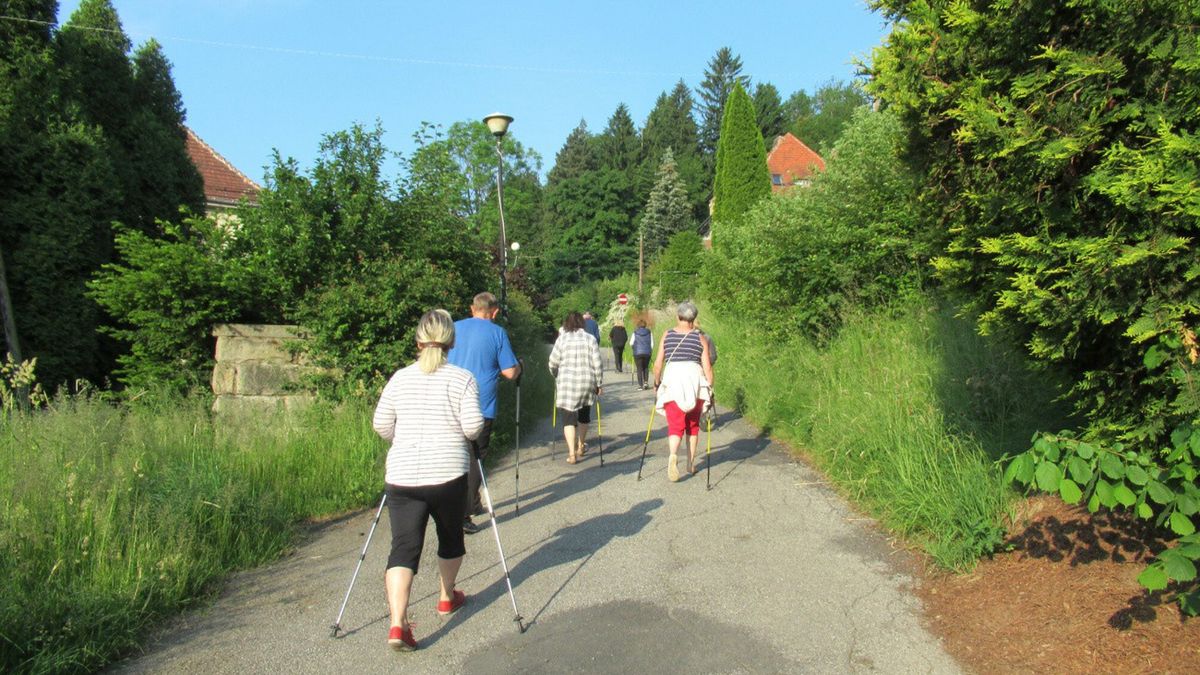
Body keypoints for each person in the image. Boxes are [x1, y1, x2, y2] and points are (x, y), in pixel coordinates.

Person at [373, 309, 484, 651]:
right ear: (451, 341)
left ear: (418, 341)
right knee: (450, 537)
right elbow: (473, 427)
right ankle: (446, 597)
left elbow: (381, 424)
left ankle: (397, 624)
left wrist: (402, 439)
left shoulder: (399, 378)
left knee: (403, 547)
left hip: (403, 475)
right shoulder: (462, 378)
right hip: (447, 475)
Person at [447, 292, 520, 535]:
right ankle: (464, 514)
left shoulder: (453, 328)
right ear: (495, 311)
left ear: (472, 308)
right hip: (481, 405)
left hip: (449, 402)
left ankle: (456, 505)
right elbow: (509, 372)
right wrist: (519, 366)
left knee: (452, 456)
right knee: (474, 457)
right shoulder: (497, 332)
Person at [652, 301, 714, 482]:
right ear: (693, 319)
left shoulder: (668, 335)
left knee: (675, 424)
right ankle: (690, 463)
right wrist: (709, 389)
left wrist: (657, 384)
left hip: (673, 381)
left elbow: (657, 365)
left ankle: (673, 456)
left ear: (678, 316)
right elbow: (708, 368)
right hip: (694, 382)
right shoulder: (700, 338)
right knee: (693, 425)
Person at [549, 311, 602, 464]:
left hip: (567, 384)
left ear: (567, 324)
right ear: (582, 323)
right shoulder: (590, 339)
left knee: (568, 420)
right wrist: (599, 383)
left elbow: (552, 362)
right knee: (584, 415)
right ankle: (581, 445)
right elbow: (597, 364)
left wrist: (555, 374)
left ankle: (572, 454)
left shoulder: (562, 339)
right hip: (586, 382)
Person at [632, 319, 654, 390]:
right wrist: (650, 351)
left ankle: (640, 386)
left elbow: (631, 343)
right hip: (647, 353)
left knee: (639, 368)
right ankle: (646, 383)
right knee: (646, 367)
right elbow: (652, 344)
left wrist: (634, 348)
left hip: (637, 353)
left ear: (638, 325)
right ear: (645, 325)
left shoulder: (635, 332)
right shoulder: (649, 332)